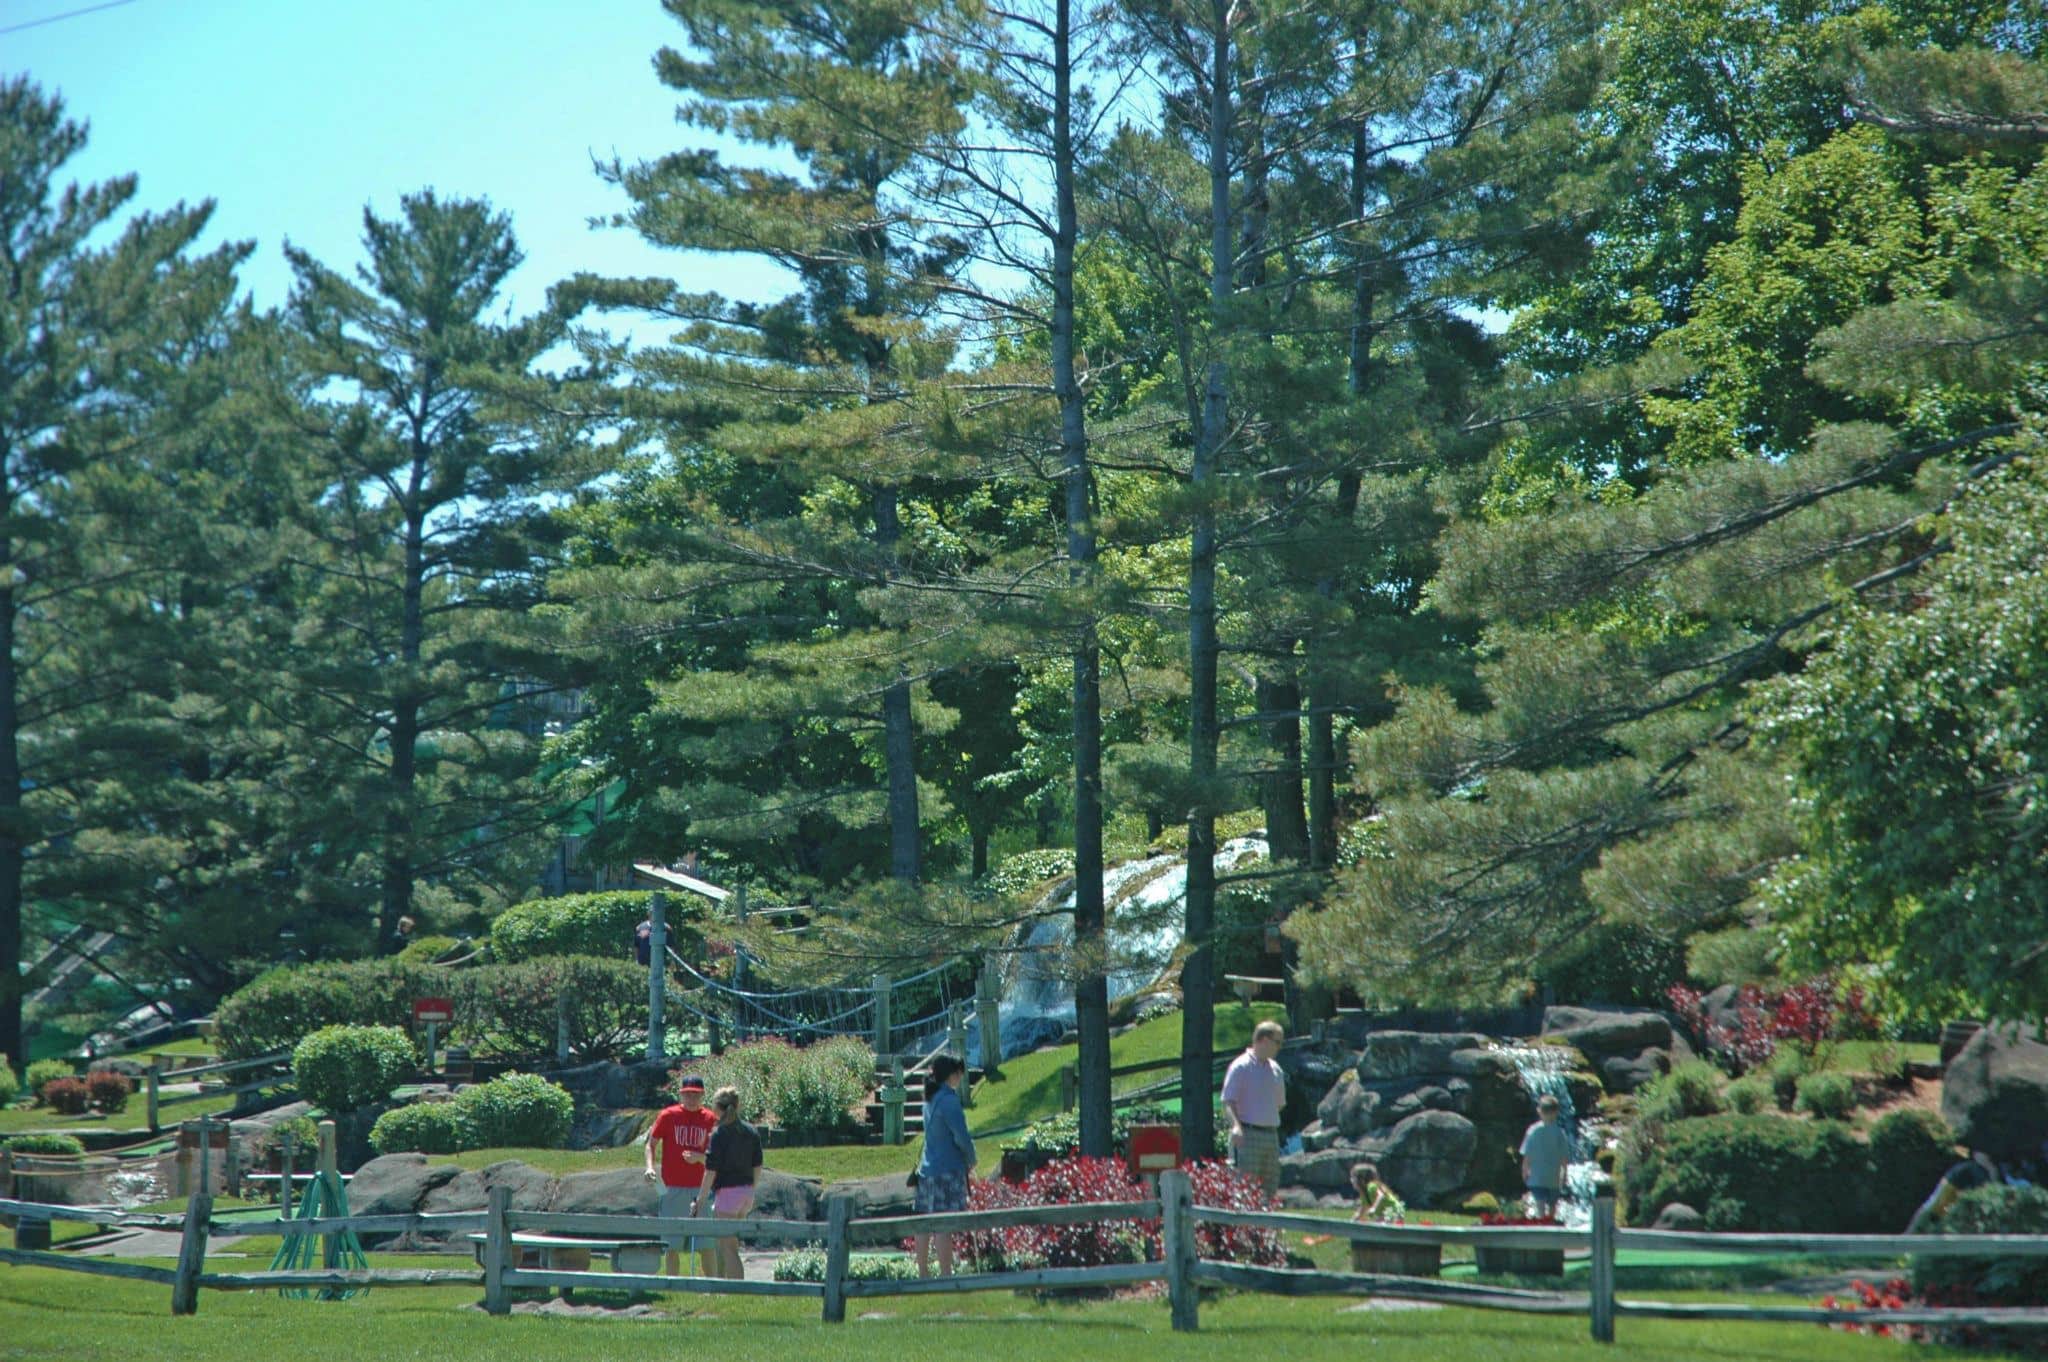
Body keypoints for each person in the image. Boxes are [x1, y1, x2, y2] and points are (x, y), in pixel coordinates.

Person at [643, 1075, 718, 1274]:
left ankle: (711, 1289)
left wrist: (700, 1158)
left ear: (702, 1095)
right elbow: (651, 1144)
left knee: (706, 1244)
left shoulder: (711, 1119)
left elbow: (719, 1158)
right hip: (671, 1188)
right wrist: (650, 1167)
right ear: (680, 1095)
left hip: (701, 1189)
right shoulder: (668, 1115)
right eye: (687, 1094)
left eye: (696, 1094)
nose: (691, 1098)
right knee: (671, 1244)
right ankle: (672, 1286)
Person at [914, 1055, 976, 1278]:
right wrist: (971, 1158)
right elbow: (961, 1136)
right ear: (952, 1074)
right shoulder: (949, 1101)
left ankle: (923, 1273)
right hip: (947, 1170)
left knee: (923, 1223)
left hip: (927, 1169)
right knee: (943, 1224)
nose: (961, 1077)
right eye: (959, 1073)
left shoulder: (929, 1099)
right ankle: (946, 1274)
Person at [698, 1084, 762, 1280]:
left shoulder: (719, 1133)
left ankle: (735, 1288)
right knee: (732, 1243)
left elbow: (711, 1170)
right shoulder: (751, 1131)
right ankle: (731, 1286)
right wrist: (752, 1189)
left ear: (718, 1108)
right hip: (746, 1194)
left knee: (728, 1247)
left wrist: (700, 1199)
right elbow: (757, 1165)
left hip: (727, 1195)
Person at [1222, 1019, 1286, 1198]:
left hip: (1271, 1136)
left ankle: (1268, 1226)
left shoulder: (1276, 1070)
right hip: (1247, 1135)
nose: (1279, 1047)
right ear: (1264, 1040)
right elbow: (1228, 1101)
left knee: (1270, 1188)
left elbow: (1279, 1104)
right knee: (1245, 1189)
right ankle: (1245, 1227)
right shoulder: (1240, 1066)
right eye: (1277, 1042)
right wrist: (1236, 1127)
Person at [1906, 1152, 1999, 1234]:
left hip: (1984, 1182)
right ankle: (1907, 1238)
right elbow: (1979, 1155)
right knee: (1934, 1208)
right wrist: (1992, 1172)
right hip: (1964, 1177)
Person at [1519, 1093, 1571, 1217]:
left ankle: (1541, 1223)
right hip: (1553, 1178)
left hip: (1536, 1177)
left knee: (1540, 1205)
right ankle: (1551, 1224)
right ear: (1556, 1112)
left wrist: (1525, 1171)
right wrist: (1564, 1175)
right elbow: (1564, 1157)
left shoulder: (1532, 1131)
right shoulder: (1560, 1133)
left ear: (1539, 1111)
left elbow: (1527, 1155)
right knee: (1553, 1205)